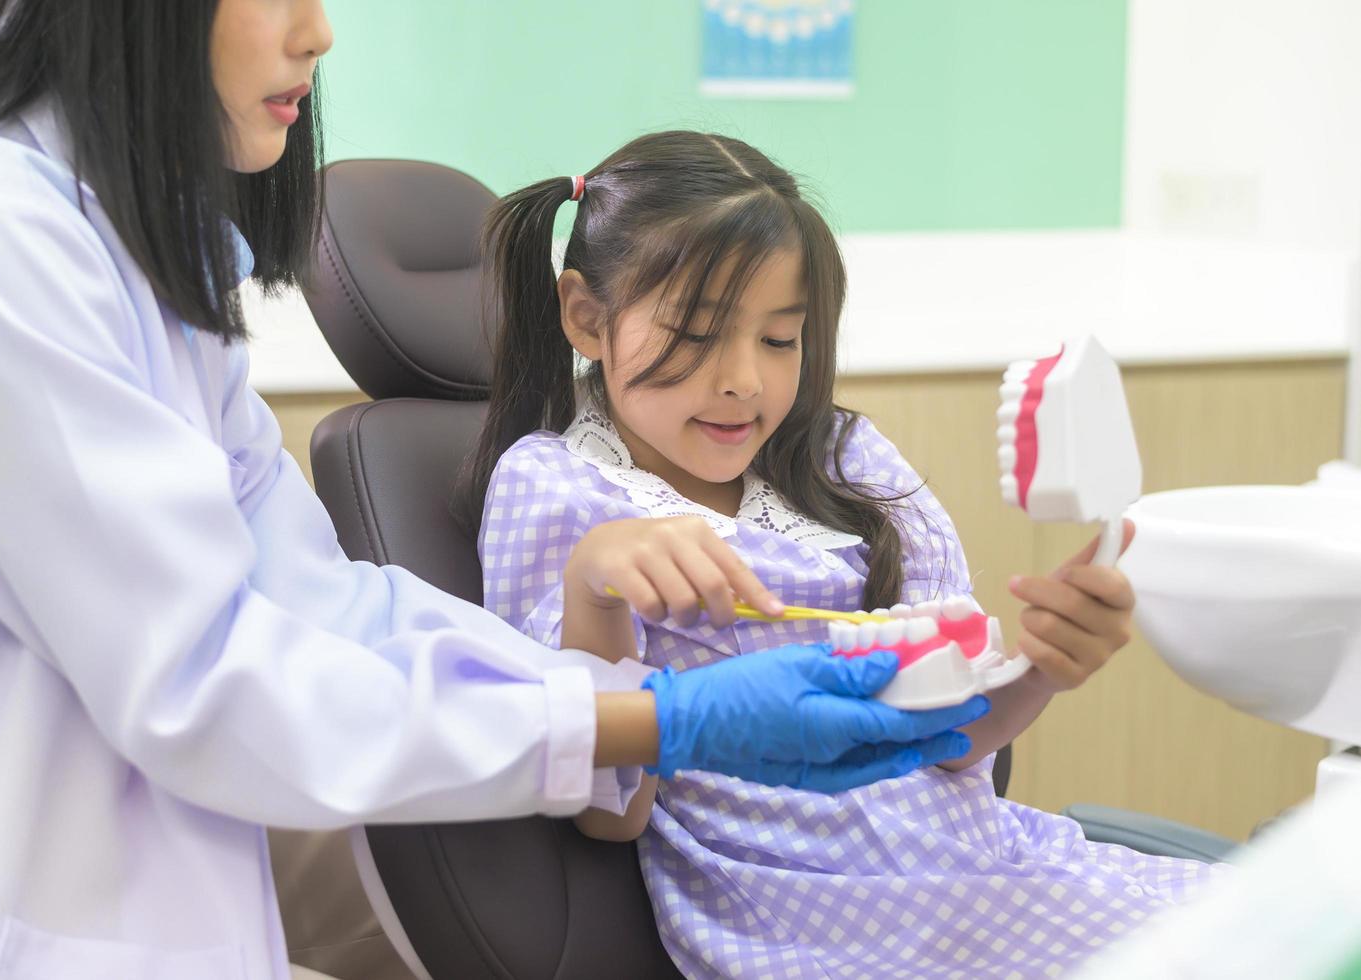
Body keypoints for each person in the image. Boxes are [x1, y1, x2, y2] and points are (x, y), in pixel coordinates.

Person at [0, 3, 990, 978]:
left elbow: (329, 607)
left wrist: (626, 717)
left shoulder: (146, 270)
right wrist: (656, 714)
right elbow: (207, 679)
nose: (318, 31)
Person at [470, 130, 1225, 978]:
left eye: (779, 340)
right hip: (813, 922)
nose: (744, 380)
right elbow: (608, 815)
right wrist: (596, 588)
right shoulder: (557, 492)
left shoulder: (846, 460)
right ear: (586, 316)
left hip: (981, 870)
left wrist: (1044, 666)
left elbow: (957, 737)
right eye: (698, 332)